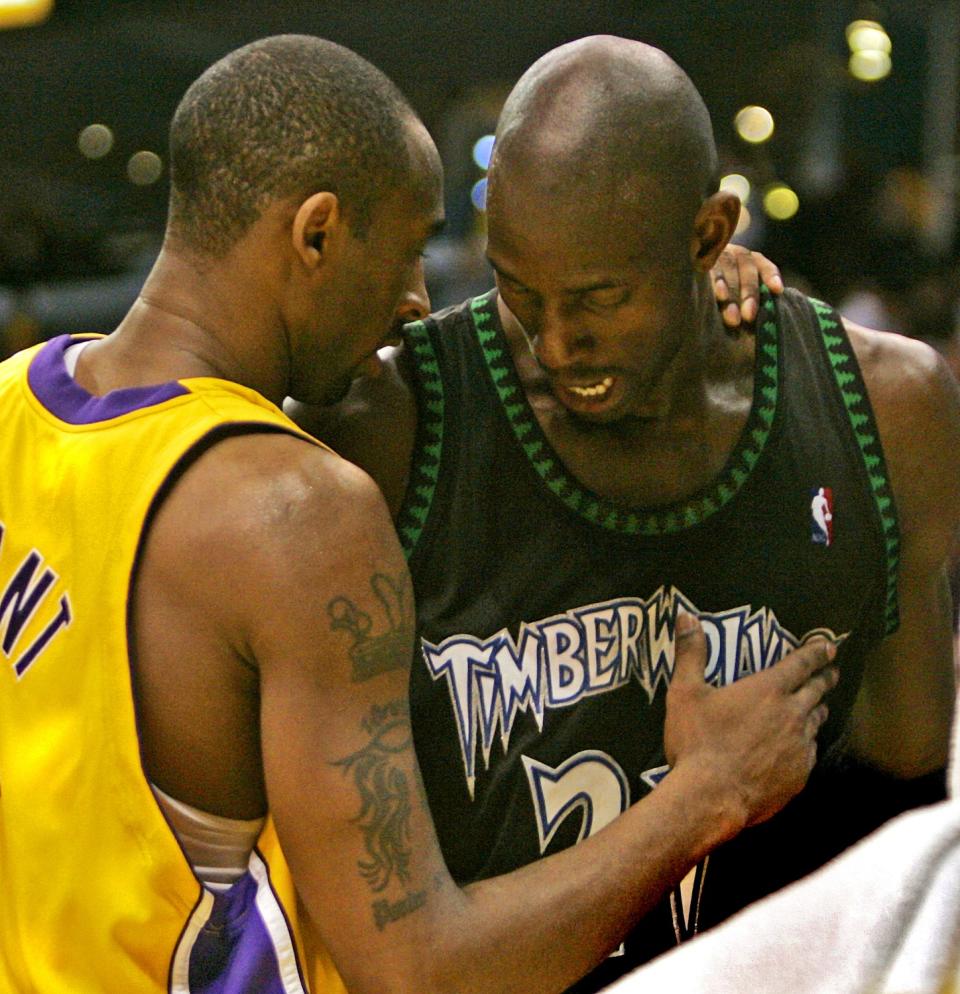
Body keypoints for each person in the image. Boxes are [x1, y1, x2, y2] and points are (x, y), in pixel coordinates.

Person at [0, 34, 840, 994]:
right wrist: (708, 794)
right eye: (403, 251)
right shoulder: (293, 515)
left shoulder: (14, 408)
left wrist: (684, 276)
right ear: (316, 235)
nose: (413, 302)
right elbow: (420, 973)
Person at [289, 34, 960, 992]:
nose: (558, 342)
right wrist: (707, 796)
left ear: (708, 236)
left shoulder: (888, 409)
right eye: (518, 290)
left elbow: (909, 782)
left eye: (601, 297)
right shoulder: (391, 425)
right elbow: (397, 957)